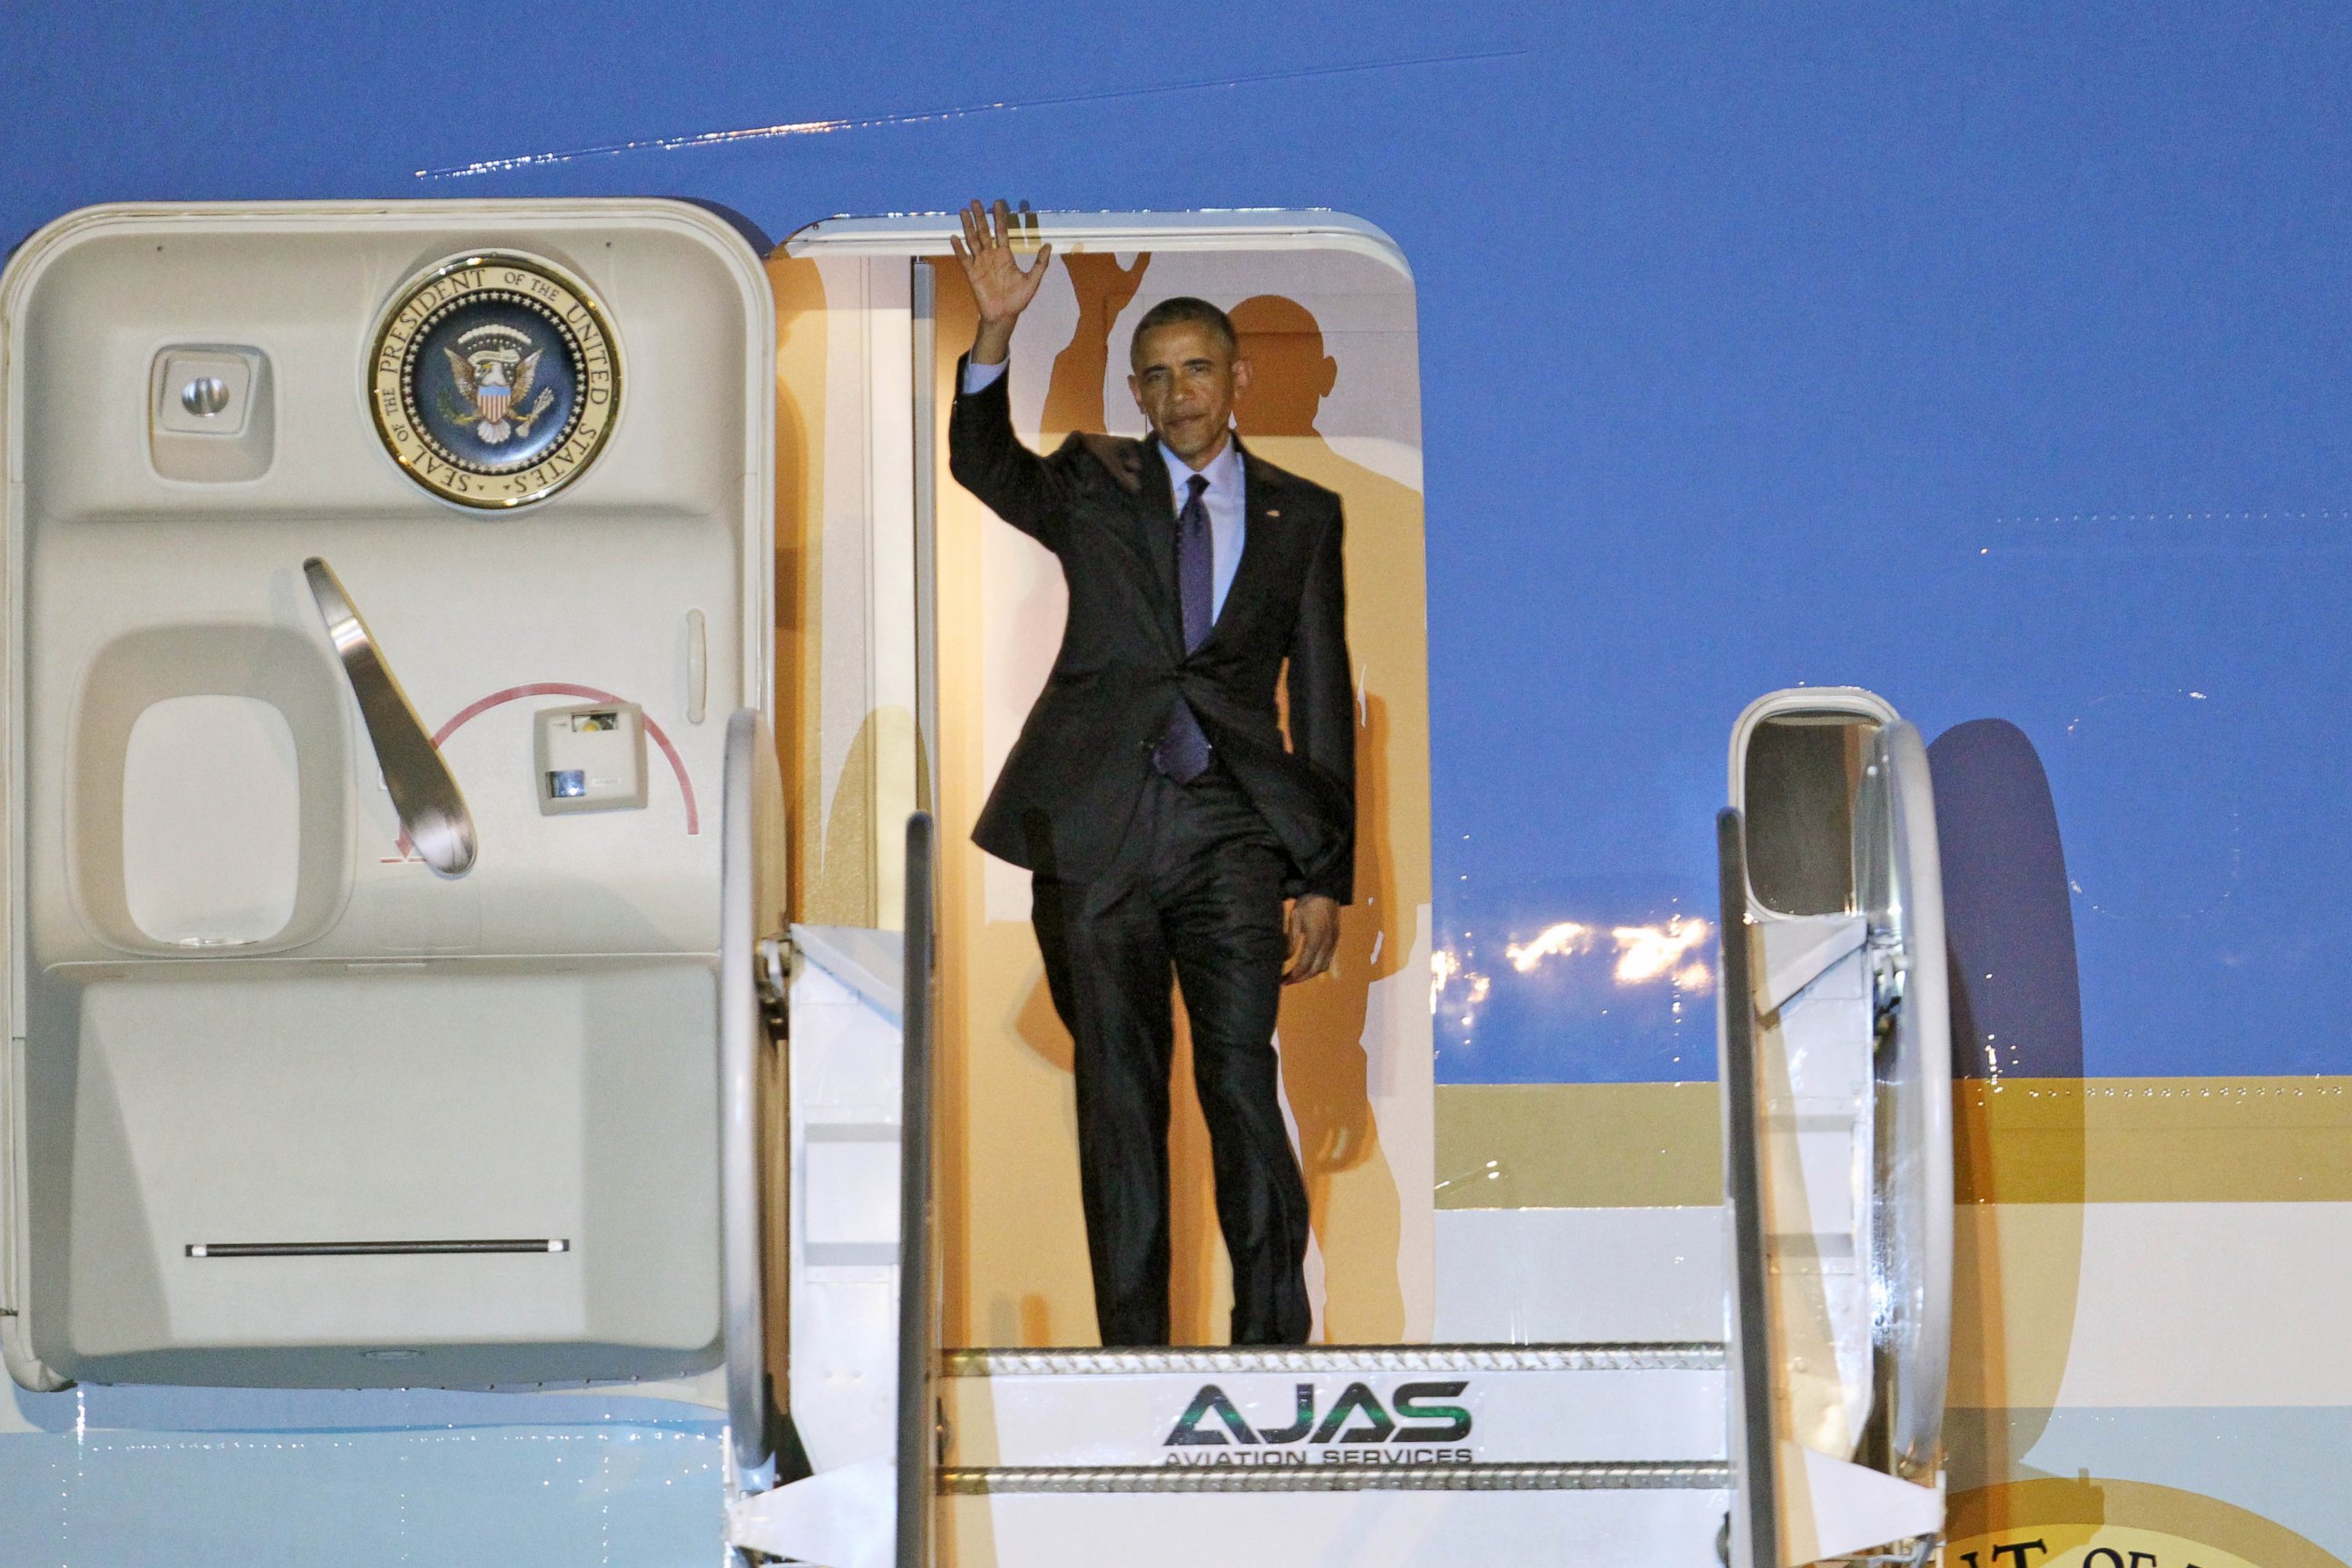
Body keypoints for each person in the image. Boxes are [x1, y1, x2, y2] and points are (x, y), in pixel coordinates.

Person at [947, 199, 1355, 1347]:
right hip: (1096, 829)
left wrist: (1324, 874)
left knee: (1240, 1081)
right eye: (1156, 376)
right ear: (1135, 393)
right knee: (1118, 1098)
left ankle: (1271, 1345)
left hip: (1233, 829)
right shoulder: (1092, 480)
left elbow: (1319, 691)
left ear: (1237, 382)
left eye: (1198, 371)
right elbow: (982, 462)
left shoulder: (1303, 515)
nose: (1179, 395)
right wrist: (995, 335)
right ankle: (1130, 1356)